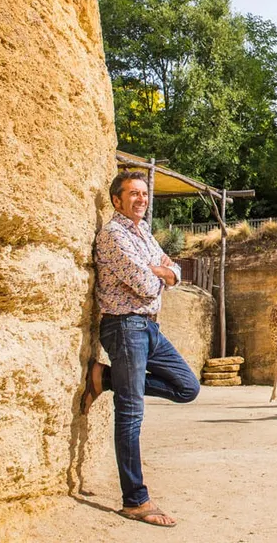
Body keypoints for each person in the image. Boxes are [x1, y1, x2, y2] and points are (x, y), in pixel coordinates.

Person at [80, 170, 200, 528]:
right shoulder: (113, 235)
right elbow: (148, 285)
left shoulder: (143, 232)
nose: (141, 199)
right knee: (131, 414)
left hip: (149, 328)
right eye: (133, 194)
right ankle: (135, 501)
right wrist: (160, 273)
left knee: (187, 387)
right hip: (124, 326)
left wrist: (164, 272)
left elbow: (175, 271)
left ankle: (105, 377)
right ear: (117, 200)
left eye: (144, 194)